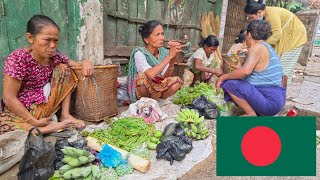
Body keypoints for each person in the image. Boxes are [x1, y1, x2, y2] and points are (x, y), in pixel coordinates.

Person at [0, 15, 94, 135]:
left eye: (55, 40)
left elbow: (76, 66)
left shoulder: (55, 56)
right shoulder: (18, 59)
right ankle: (42, 128)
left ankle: (65, 116)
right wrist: (34, 121)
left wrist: (86, 63)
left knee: (65, 69)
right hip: (24, 111)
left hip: (46, 106)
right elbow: (9, 98)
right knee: (6, 126)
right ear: (30, 38)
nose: (52, 45)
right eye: (47, 40)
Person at [216, 20, 286, 116]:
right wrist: (240, 69)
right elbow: (254, 75)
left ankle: (251, 114)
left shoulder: (257, 47)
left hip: (270, 103)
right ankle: (256, 112)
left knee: (229, 84)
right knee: (236, 82)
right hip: (277, 101)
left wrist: (222, 77)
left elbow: (245, 71)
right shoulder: (268, 48)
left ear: (249, 35)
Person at [245, 0, 307, 84]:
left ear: (259, 12)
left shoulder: (272, 14)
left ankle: (281, 92)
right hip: (286, 37)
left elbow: (277, 34)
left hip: (294, 38)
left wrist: (261, 45)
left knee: (284, 69)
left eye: (252, 17)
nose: (251, 20)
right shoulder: (266, 15)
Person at [127, 20, 183, 103]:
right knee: (141, 78)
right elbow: (150, 74)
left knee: (177, 81)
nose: (161, 38)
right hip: (145, 89)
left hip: (159, 88)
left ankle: (159, 102)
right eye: (157, 35)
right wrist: (169, 56)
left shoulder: (164, 53)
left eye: (162, 34)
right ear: (146, 40)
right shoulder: (139, 53)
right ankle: (148, 103)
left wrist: (172, 59)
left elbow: (165, 78)